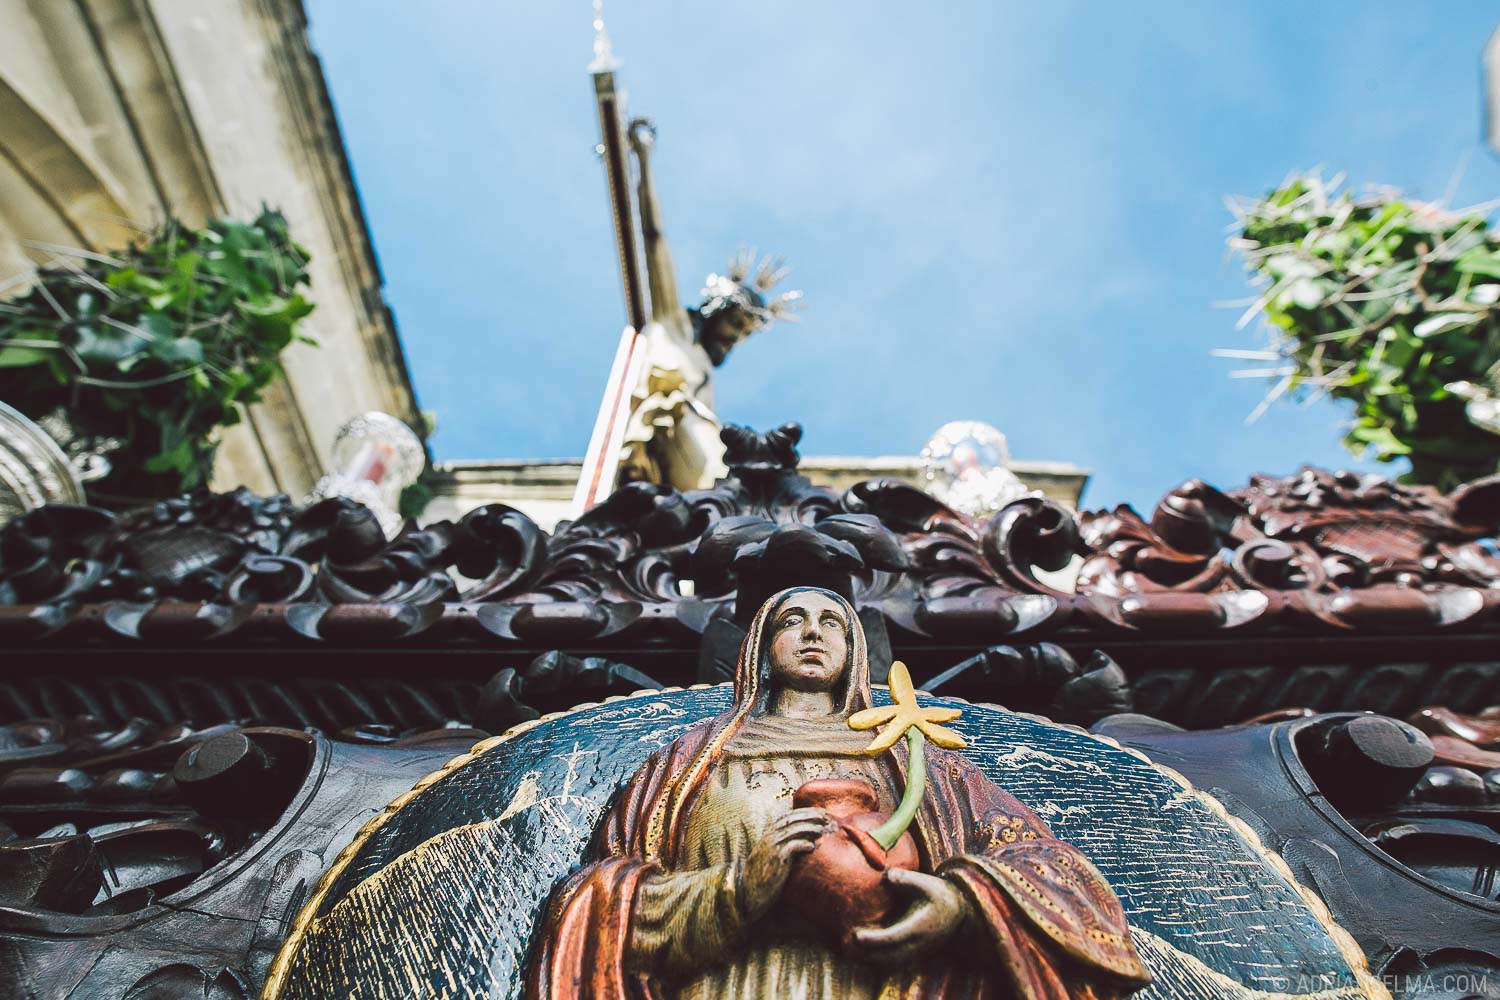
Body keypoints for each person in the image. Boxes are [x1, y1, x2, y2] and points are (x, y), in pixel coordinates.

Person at [524, 587, 1150, 999]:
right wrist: (739, 885)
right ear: (760, 650)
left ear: (854, 652)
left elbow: (1043, 861)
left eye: (832, 623)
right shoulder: (686, 765)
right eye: (791, 621)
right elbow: (596, 896)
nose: (812, 634)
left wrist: (963, 903)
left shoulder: (914, 756)